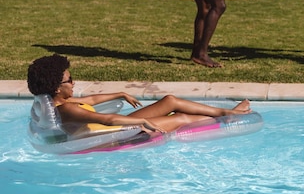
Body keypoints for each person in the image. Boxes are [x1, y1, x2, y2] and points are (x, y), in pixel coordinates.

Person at [27, 54, 251, 134]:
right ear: (57, 87)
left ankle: (225, 111)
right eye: (70, 80)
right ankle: (226, 118)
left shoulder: (64, 100)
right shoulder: (66, 109)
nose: (74, 83)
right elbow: (106, 119)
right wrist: (143, 120)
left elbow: (92, 100)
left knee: (170, 101)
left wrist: (121, 93)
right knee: (179, 118)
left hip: (117, 126)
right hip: (118, 132)